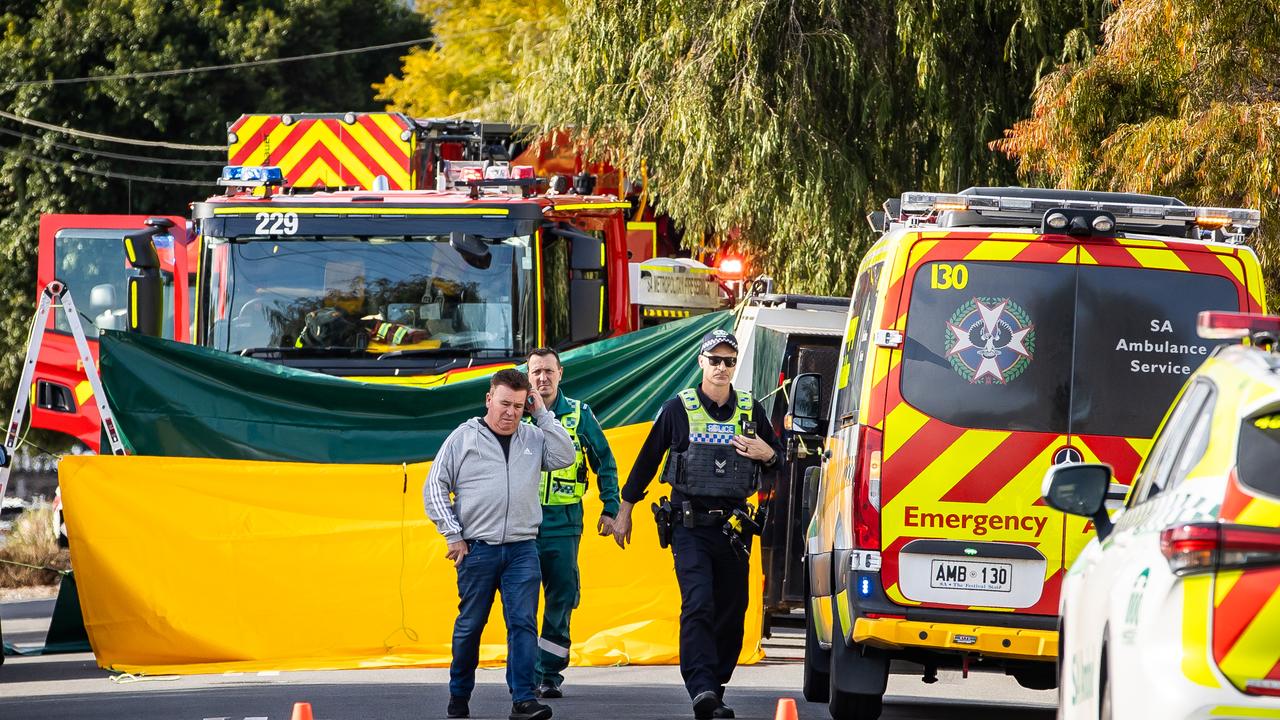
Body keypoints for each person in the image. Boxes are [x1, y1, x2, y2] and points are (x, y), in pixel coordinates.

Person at [610, 329, 781, 720]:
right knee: (699, 603)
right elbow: (648, 460)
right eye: (715, 359)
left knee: (732, 611)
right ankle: (702, 687)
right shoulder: (678, 409)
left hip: (734, 530)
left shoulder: (750, 411)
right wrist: (625, 511)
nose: (721, 368)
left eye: (729, 361)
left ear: (735, 365)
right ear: (701, 362)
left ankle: (715, 688)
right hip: (689, 527)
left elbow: (779, 461)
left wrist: (768, 452)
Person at [424, 368, 577, 720]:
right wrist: (452, 533)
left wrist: (542, 415)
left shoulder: (533, 437)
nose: (510, 412)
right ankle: (458, 695)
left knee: (523, 623)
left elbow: (565, 456)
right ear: (489, 399)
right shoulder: (464, 437)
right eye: (504, 403)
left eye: (519, 406)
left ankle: (523, 700)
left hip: (523, 548)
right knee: (470, 626)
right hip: (478, 549)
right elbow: (434, 485)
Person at [524, 348, 621, 699]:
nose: (542, 378)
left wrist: (611, 508)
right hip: (522, 524)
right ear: (528, 374)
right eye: (536, 372)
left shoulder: (580, 415)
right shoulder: (516, 413)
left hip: (564, 525)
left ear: (560, 374)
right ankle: (525, 674)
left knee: (561, 598)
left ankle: (549, 674)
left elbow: (605, 462)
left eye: (549, 371)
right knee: (520, 599)